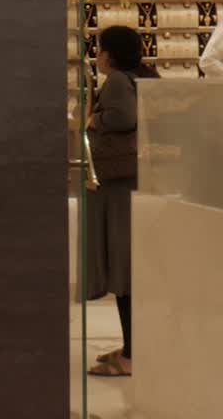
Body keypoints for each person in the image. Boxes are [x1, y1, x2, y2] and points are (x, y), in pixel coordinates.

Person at [87, 25, 159, 378]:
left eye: (100, 49)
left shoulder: (117, 81)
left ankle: (132, 356)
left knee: (124, 270)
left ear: (110, 54)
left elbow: (123, 118)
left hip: (119, 187)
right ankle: (135, 347)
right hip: (139, 184)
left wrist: (93, 118)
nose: (97, 56)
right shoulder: (143, 76)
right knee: (132, 270)